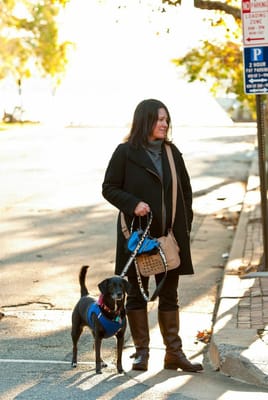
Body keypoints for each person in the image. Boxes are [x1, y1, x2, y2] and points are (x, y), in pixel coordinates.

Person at [102, 99, 203, 373]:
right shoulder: (125, 153)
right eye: (159, 119)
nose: (164, 124)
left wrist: (184, 226)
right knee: (135, 294)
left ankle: (174, 354)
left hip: (167, 238)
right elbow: (109, 188)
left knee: (169, 294)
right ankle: (141, 353)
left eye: (166, 119)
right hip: (135, 238)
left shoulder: (172, 153)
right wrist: (132, 203)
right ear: (144, 121)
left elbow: (185, 192)